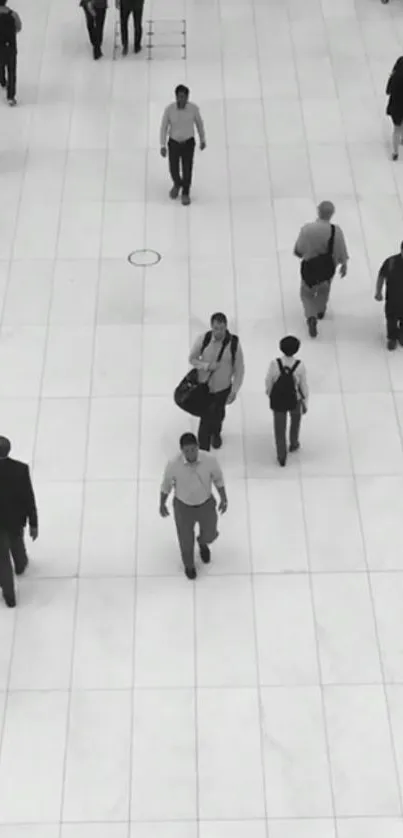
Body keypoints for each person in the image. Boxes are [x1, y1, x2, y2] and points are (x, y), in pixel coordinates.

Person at [160, 432, 228, 579]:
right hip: (183, 507)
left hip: (205, 503)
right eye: (187, 451)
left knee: (210, 532)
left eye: (193, 449)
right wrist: (162, 503)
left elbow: (218, 479)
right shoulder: (173, 465)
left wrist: (223, 498)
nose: (191, 454)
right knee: (185, 539)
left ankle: (203, 542)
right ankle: (189, 565)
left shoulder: (209, 460)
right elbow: (166, 485)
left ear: (198, 447)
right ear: (182, 450)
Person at [188, 312, 245, 451]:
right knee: (205, 419)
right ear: (211, 327)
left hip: (222, 389)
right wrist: (206, 366)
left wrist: (234, 390)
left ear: (226, 327)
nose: (218, 332)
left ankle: (216, 432)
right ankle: (203, 449)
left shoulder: (234, 344)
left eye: (221, 328)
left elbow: (239, 369)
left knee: (218, 415)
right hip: (205, 388)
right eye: (215, 328)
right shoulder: (204, 339)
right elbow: (192, 359)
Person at [294, 201, 349, 338]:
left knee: (306, 293)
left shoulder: (307, 229)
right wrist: (343, 263)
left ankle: (311, 316)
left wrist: (302, 253)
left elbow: (299, 249)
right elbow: (341, 249)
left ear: (318, 211)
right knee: (324, 290)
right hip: (327, 268)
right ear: (332, 214)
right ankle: (320, 310)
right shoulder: (336, 230)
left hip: (310, 267)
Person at [0, 436, 38, 607]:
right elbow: (28, 497)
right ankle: (21, 565)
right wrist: (33, 522)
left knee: (2, 561)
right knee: (17, 543)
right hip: (15, 521)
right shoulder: (20, 470)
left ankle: (10, 596)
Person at [265, 336, 309, 467]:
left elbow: (269, 381)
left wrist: (270, 394)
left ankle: (281, 455)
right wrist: (305, 402)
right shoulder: (300, 366)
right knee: (295, 422)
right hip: (294, 399)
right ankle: (294, 443)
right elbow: (303, 385)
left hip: (278, 400)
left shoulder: (275, 363)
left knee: (279, 428)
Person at [160, 84, 206, 206]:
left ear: (187, 97)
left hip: (188, 143)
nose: (182, 99)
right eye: (179, 97)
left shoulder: (193, 109)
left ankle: (185, 192)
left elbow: (199, 124)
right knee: (173, 168)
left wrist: (202, 139)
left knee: (187, 169)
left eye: (184, 97)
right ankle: (177, 183)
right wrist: (162, 145)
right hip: (174, 143)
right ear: (176, 97)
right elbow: (164, 127)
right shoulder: (169, 110)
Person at [375, 242, 403, 350]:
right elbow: (381, 276)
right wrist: (378, 292)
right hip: (393, 299)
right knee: (391, 318)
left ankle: (401, 334)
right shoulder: (391, 262)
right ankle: (392, 338)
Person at [0, 0, 21, 106]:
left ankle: (2, 81)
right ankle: (11, 97)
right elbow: (19, 27)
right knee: (12, 70)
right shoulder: (13, 14)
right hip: (11, 46)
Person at [386, 57, 403, 160]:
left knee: (396, 128)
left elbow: (388, 91)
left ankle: (395, 152)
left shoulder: (394, 77)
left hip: (396, 106)